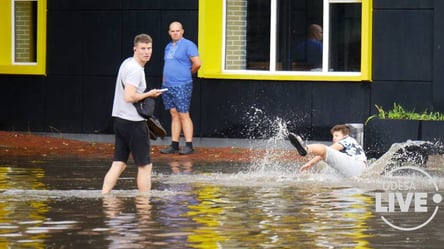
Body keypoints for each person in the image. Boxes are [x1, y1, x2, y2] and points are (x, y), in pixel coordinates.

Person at [102, 34, 164, 194]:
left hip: (120, 121)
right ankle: (144, 206)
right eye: (143, 48)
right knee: (145, 166)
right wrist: (149, 94)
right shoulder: (136, 70)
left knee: (119, 163)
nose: (147, 52)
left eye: (149, 48)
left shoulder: (126, 63)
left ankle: (104, 196)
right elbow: (129, 96)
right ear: (135, 49)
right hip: (134, 123)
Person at [160, 21, 201, 155]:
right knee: (173, 114)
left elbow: (197, 63)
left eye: (177, 30)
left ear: (182, 31)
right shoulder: (168, 47)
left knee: (184, 114)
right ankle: (174, 144)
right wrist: (164, 80)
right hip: (168, 85)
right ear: (169, 32)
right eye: (172, 31)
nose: (175, 33)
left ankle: (189, 145)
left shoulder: (188, 45)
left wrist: (189, 73)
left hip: (182, 84)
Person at [288, 124, 367, 177]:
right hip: (360, 169)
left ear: (345, 135)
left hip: (355, 165)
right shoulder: (353, 142)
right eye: (333, 136)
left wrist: (309, 164)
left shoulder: (346, 139)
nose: (334, 138)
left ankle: (305, 148)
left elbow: (327, 151)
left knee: (323, 149)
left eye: (336, 135)